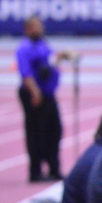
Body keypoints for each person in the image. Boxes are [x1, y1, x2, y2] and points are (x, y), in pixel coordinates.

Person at [15, 16, 76, 183]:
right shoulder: (24, 48)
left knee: (54, 130)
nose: (38, 29)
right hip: (35, 95)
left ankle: (54, 168)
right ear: (27, 29)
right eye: (34, 26)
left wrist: (64, 56)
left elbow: (51, 60)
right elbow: (26, 74)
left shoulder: (43, 45)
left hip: (48, 95)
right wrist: (35, 93)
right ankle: (35, 171)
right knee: (36, 133)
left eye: (39, 26)